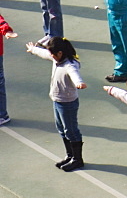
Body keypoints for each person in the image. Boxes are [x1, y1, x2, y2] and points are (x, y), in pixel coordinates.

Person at [26, 37, 86, 170]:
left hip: (68, 103)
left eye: (53, 54)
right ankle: (70, 155)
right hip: (57, 100)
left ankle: (77, 159)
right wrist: (33, 49)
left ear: (60, 53)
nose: (51, 56)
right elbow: (45, 54)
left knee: (71, 130)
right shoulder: (56, 58)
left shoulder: (70, 64)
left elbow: (74, 74)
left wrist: (79, 83)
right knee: (62, 129)